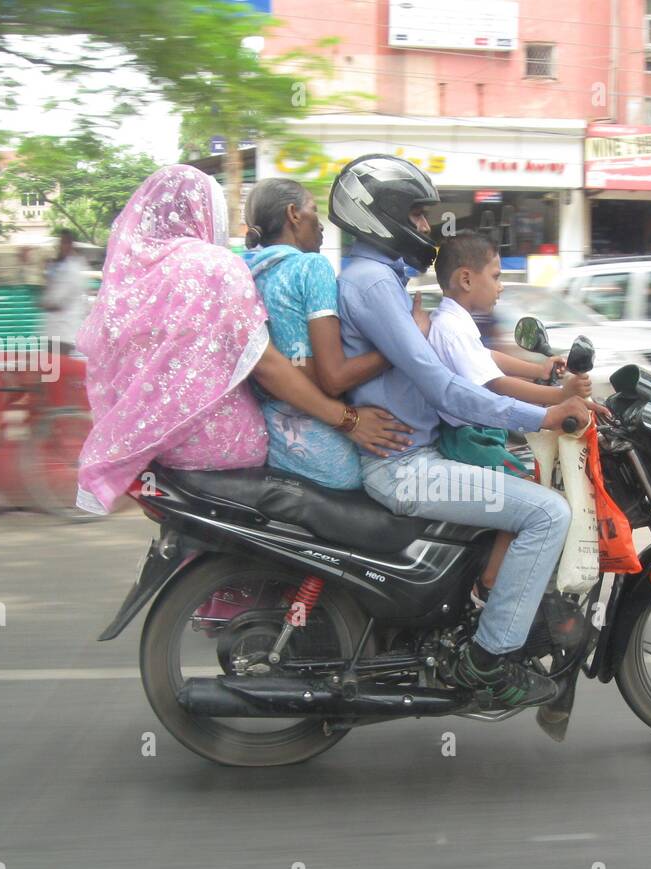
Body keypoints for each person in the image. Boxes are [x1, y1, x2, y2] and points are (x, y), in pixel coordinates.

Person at [330, 154, 589, 712]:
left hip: (413, 457)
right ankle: (487, 662)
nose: (427, 230)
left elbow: (461, 373)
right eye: (419, 217)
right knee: (548, 512)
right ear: (385, 215)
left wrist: (544, 386)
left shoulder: (383, 279)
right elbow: (444, 388)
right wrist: (542, 416)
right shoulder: (374, 283)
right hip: (406, 467)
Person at [75, 164, 411, 515]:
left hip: (154, 450)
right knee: (364, 493)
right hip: (223, 446)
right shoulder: (218, 266)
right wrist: (349, 418)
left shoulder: (133, 281)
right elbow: (266, 365)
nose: (321, 223)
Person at [428, 231, 591, 597]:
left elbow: (488, 358)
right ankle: (491, 580)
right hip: (466, 439)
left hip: (476, 432)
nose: (501, 287)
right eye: (497, 276)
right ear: (467, 279)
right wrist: (558, 396)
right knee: (529, 487)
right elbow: (495, 384)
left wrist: (540, 367)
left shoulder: (455, 322)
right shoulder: (451, 328)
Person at [245, 177, 407, 490]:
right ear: (294, 214)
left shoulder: (249, 270)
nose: (320, 225)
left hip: (271, 430)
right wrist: (402, 346)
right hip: (318, 436)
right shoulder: (312, 267)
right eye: (314, 210)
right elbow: (334, 378)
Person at [42, 229, 89, 355]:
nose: (61, 246)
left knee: (57, 369)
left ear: (70, 244)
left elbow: (58, 301)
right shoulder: (58, 265)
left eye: (64, 242)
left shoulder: (73, 269)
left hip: (64, 331)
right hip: (54, 330)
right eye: (60, 243)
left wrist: (45, 303)